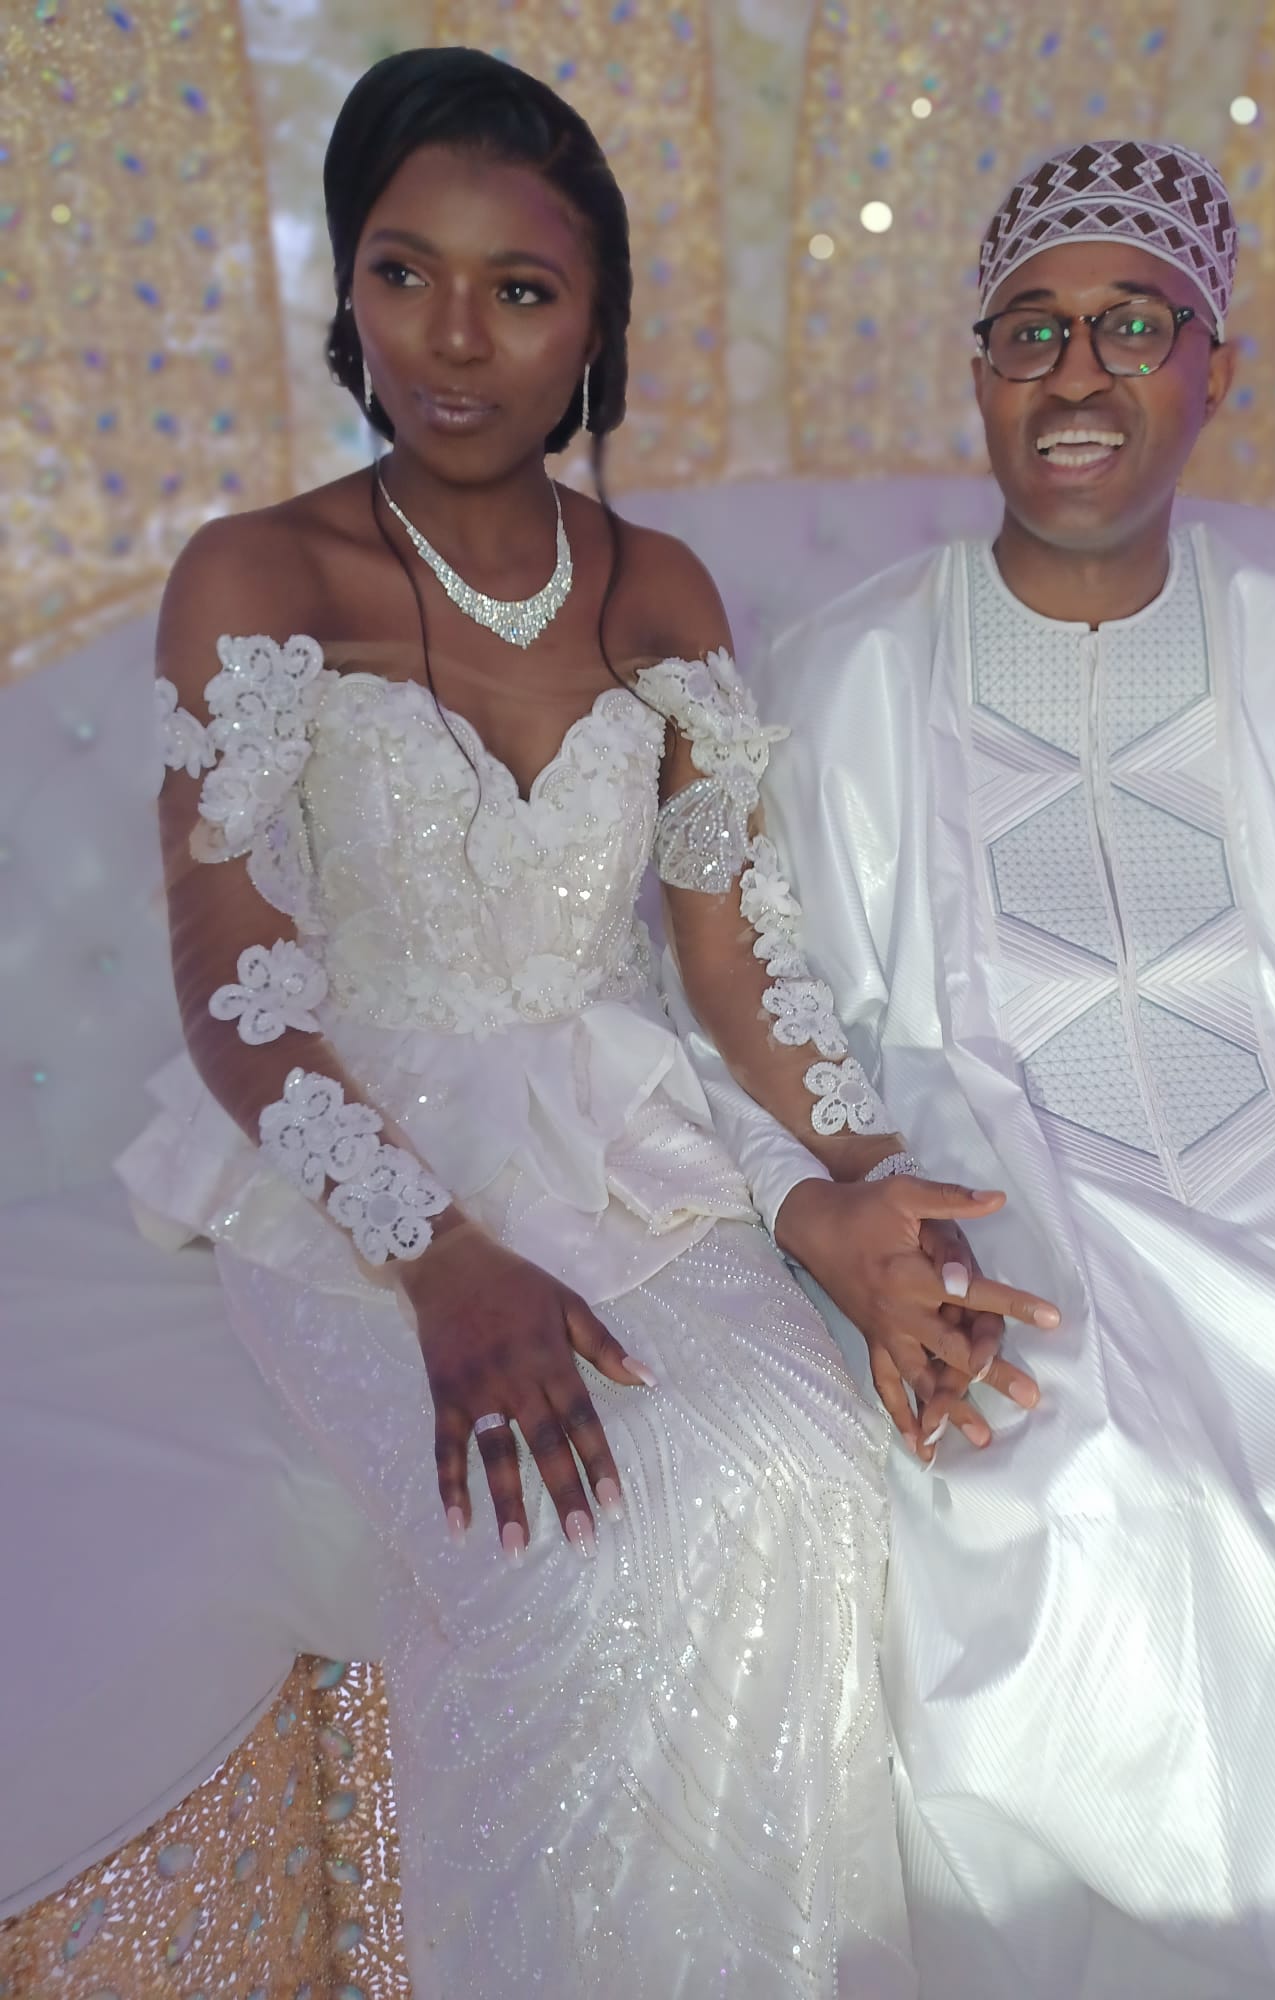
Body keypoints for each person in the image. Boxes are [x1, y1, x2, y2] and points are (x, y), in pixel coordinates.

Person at [107, 44, 1013, 1996]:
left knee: (813, 1479)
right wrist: (439, 1263)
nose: (453, 339)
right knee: (593, 1565)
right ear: (348, 287)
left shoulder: (661, 589)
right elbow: (231, 970)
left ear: (597, 324)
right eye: (402, 272)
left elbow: (731, 956)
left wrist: (863, 1177)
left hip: (624, 1134)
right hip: (351, 1158)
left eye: (519, 289)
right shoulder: (260, 572)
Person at [671, 140, 1275, 1999]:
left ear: (1216, 371)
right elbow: (750, 1015)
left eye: (1137, 326)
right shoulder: (854, 669)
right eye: (1033, 331)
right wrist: (827, 1224)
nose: (1078, 374)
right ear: (979, 373)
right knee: (1070, 1513)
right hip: (1004, 1210)